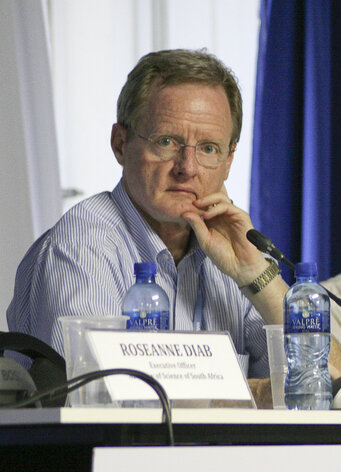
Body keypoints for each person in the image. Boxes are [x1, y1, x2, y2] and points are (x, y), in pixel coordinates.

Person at [7, 49, 290, 407]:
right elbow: (105, 398)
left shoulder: (230, 249)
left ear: (228, 160)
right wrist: (258, 392)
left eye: (208, 148)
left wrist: (256, 275)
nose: (187, 168)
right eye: (167, 142)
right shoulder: (81, 245)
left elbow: (325, 379)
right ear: (120, 144)